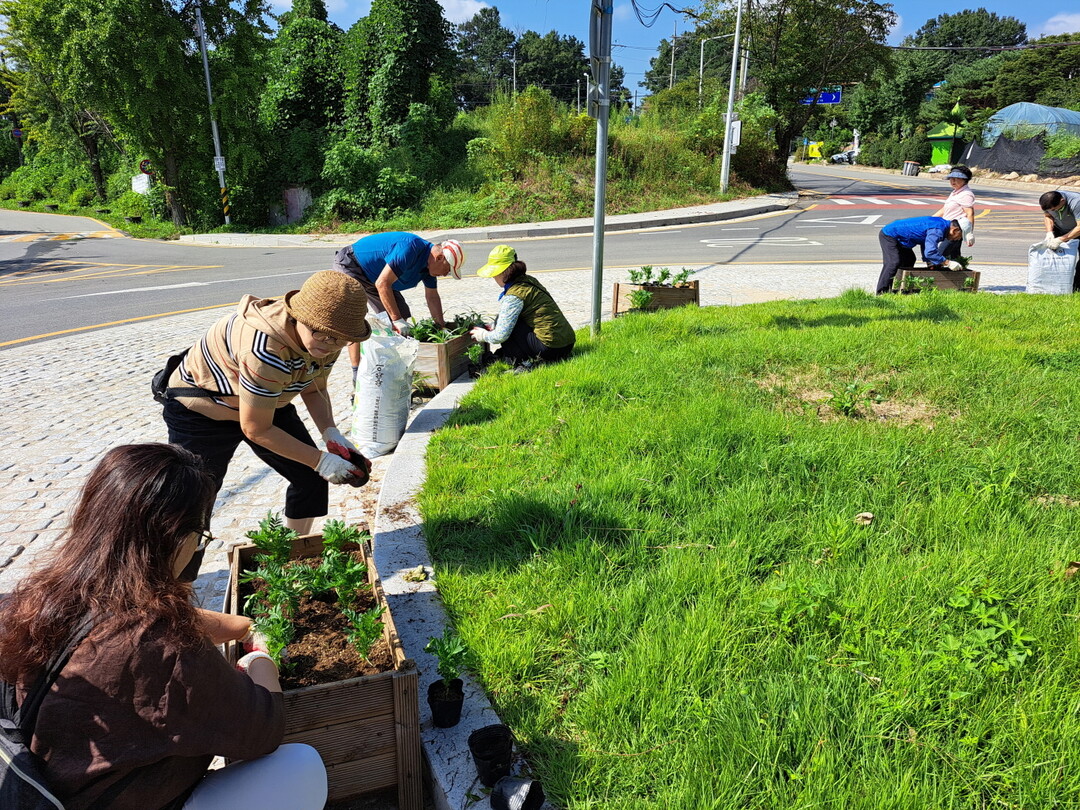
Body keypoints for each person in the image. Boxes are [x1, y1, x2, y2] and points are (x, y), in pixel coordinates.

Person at [0, 443, 328, 810]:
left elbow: (121, 622)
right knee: (299, 767)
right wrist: (260, 658)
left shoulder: (35, 600)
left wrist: (241, 626)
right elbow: (263, 729)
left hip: (43, 788)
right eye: (200, 537)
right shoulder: (166, 650)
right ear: (180, 539)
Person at [158, 270, 371, 538]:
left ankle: (295, 549)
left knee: (311, 480)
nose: (330, 345)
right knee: (194, 501)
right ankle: (184, 564)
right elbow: (256, 429)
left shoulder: (328, 339)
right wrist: (321, 461)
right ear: (298, 316)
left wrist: (331, 433)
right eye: (322, 334)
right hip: (204, 411)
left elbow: (314, 387)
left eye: (340, 339)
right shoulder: (264, 349)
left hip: (265, 401)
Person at [332, 232, 466, 371]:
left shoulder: (429, 268)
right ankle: (356, 371)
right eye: (447, 270)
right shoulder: (410, 248)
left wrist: (441, 327)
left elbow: (432, 297)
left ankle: (393, 367)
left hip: (378, 277)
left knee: (401, 313)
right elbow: (383, 284)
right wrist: (396, 319)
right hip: (352, 265)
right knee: (355, 316)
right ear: (439, 258)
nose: (445, 274)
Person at [468, 245, 576, 366]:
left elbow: (501, 336)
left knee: (505, 322)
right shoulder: (528, 280)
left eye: (494, 272)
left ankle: (517, 362)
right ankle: (511, 356)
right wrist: (493, 327)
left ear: (504, 272)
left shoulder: (514, 296)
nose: (493, 276)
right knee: (505, 320)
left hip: (551, 348)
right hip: (566, 343)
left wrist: (482, 335)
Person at [876, 215, 971, 295]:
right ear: (955, 230)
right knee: (893, 262)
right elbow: (930, 252)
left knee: (909, 259)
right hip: (890, 234)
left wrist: (930, 263)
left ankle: (900, 289)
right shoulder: (938, 230)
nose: (958, 239)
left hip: (900, 238)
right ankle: (881, 293)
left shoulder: (942, 225)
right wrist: (947, 263)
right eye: (960, 237)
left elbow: (925, 242)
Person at [932, 165, 976, 259]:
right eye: (951, 178)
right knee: (955, 257)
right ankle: (959, 267)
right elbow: (944, 210)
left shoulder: (966, 194)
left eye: (957, 179)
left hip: (955, 231)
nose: (953, 181)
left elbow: (970, 213)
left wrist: (969, 233)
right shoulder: (955, 192)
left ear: (965, 180)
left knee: (939, 256)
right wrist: (930, 219)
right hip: (948, 228)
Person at [1040, 189, 1080, 290]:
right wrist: (1049, 232)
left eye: (1054, 209)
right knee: (1054, 257)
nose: (1052, 211)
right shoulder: (1048, 201)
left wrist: (1060, 240)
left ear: (1062, 201)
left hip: (1077, 229)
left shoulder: (1077, 202)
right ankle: (1055, 286)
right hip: (1060, 228)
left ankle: (1076, 288)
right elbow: (1048, 216)